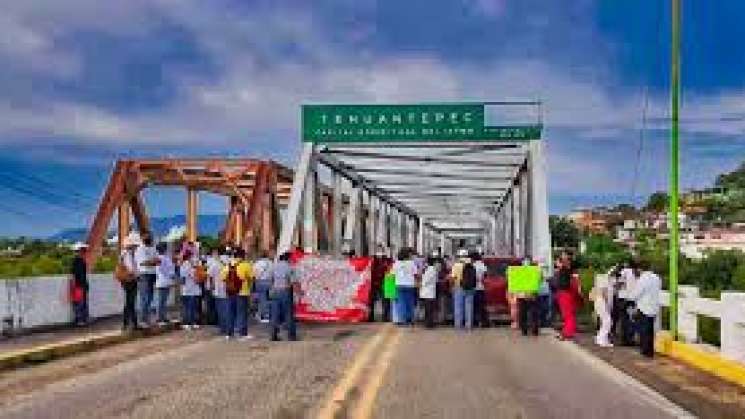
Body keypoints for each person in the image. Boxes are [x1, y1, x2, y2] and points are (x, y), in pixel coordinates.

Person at [627, 260, 661, 358]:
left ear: (640, 269)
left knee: (643, 330)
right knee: (650, 330)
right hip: (654, 307)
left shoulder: (643, 279)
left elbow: (637, 292)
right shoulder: (656, 277)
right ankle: (650, 350)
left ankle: (645, 351)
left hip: (644, 307)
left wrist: (629, 300)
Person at [269, 251, 298, 341]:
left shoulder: (274, 267)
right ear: (288, 258)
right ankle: (291, 335)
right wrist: (299, 292)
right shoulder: (289, 268)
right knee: (288, 314)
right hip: (285, 291)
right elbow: (293, 282)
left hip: (275, 291)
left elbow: (271, 280)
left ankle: (274, 334)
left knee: (275, 314)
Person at [135, 233, 160, 327]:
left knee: (150, 298)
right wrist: (153, 262)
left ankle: (147, 319)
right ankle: (142, 320)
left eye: (150, 236)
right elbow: (143, 263)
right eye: (147, 236)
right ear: (142, 238)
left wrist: (152, 262)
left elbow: (158, 260)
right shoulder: (140, 249)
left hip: (152, 274)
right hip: (144, 275)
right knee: (144, 298)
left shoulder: (153, 248)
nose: (149, 238)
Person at [555, 257, 581, 340]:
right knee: (567, 314)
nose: (556, 263)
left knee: (568, 314)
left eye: (558, 262)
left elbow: (564, 284)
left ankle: (567, 333)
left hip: (565, 294)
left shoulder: (565, 271)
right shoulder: (566, 271)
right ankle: (566, 332)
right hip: (565, 294)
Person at [118, 234, 140, 331]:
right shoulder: (128, 255)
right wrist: (137, 275)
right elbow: (131, 269)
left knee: (129, 302)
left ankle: (131, 323)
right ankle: (128, 323)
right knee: (130, 302)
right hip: (130, 280)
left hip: (126, 280)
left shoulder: (124, 254)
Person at [514, 258, 541, 337]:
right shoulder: (535, 271)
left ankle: (525, 330)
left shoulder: (518, 272)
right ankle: (533, 330)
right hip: (531, 295)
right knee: (532, 313)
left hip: (524, 295)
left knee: (524, 313)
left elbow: (516, 284)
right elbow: (539, 281)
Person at [450, 249, 476, 330]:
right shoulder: (471, 265)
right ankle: (469, 325)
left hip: (459, 287)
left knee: (458, 307)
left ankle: (458, 325)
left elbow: (453, 278)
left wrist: (451, 287)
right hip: (470, 288)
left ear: (459, 256)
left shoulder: (456, 265)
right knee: (469, 307)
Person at [392, 248, 418, 326]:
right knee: (410, 302)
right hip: (410, 285)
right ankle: (410, 319)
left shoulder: (396, 263)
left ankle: (402, 320)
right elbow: (416, 274)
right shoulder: (412, 263)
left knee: (401, 303)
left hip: (399, 285)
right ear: (407, 254)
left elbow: (392, 275)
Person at [617, 260, 639, 346]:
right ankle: (629, 339)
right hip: (631, 299)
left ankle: (625, 340)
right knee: (631, 319)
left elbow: (619, 283)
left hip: (625, 298)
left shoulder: (625, 271)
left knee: (625, 319)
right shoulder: (635, 273)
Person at [179, 249, 201, 330]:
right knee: (191, 307)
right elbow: (194, 277)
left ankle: (189, 323)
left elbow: (183, 279)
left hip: (188, 289)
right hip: (191, 289)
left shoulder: (185, 265)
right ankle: (192, 322)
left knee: (188, 307)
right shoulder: (189, 265)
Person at [208, 247, 227, 336]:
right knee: (226, 309)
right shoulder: (227, 262)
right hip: (228, 289)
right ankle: (228, 326)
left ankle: (223, 328)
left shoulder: (215, 263)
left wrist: (211, 286)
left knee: (220, 309)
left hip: (218, 289)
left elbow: (210, 275)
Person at [154, 242, 175, 326]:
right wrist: (171, 275)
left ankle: (163, 317)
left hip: (165, 281)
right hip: (162, 281)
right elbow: (165, 269)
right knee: (161, 301)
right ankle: (159, 318)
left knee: (163, 301)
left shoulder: (165, 258)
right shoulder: (160, 258)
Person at [591, 271, 613, 347]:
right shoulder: (603, 280)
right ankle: (602, 339)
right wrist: (607, 303)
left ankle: (601, 338)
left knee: (605, 321)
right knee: (608, 321)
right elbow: (605, 294)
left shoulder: (599, 280)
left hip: (599, 302)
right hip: (602, 302)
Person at [369, 247, 391, 322]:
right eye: (378, 250)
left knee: (386, 300)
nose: (380, 252)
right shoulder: (372, 260)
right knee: (371, 300)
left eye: (381, 250)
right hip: (374, 281)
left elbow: (390, 269)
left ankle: (386, 316)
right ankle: (370, 316)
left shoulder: (387, 260)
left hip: (386, 281)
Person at [70, 243, 89, 326]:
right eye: (83, 250)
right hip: (79, 285)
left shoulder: (80, 261)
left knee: (81, 302)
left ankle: (82, 319)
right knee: (80, 303)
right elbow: (73, 274)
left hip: (81, 284)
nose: (84, 252)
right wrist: (74, 285)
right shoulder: (77, 261)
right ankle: (80, 319)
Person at [252, 251, 274, 323]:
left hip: (260, 282)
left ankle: (264, 315)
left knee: (262, 299)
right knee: (268, 299)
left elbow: (255, 274)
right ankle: (267, 314)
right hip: (269, 282)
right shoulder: (271, 263)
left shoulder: (257, 263)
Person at [419, 256, 438, 328]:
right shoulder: (431, 270)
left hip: (428, 292)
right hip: (429, 292)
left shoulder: (430, 270)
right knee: (429, 309)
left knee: (428, 309)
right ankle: (429, 323)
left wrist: (421, 282)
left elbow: (425, 281)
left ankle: (429, 323)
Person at [471, 251, 489, 328]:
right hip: (481, 288)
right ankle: (484, 322)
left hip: (473, 288)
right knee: (482, 307)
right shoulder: (483, 265)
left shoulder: (472, 265)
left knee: (473, 307)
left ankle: (474, 322)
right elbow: (485, 276)